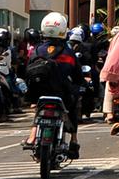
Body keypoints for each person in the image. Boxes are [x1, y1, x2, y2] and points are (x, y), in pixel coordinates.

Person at [26, 12, 84, 159]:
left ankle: (32, 136)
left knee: (38, 109)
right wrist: (82, 87)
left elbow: (27, 70)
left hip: (39, 93)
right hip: (61, 93)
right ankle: (74, 140)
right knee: (74, 106)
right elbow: (78, 76)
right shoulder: (68, 52)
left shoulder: (37, 50)